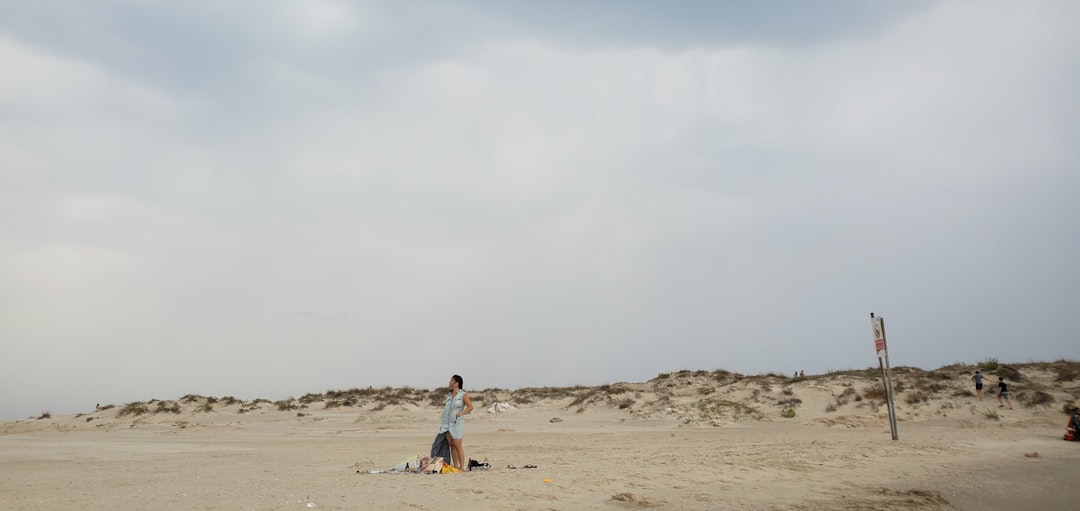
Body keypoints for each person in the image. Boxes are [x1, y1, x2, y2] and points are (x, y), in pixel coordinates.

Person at [438, 374, 474, 471]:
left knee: (458, 445)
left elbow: (470, 407)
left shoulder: (463, 394)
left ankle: (462, 467)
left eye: (452, 380)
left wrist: (461, 412)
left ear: (457, 383)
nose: (449, 382)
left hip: (457, 423)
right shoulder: (449, 395)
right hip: (447, 423)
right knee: (452, 445)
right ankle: (456, 466)